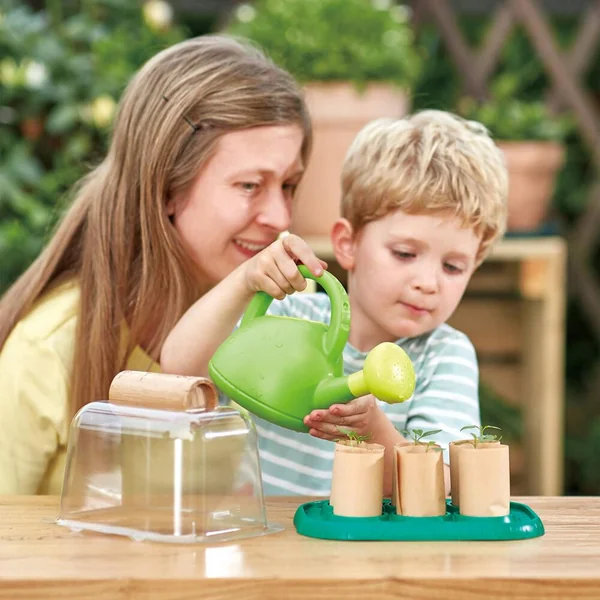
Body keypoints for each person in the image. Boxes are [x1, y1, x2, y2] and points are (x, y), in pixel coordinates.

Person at [0, 34, 317, 494]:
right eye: (250, 185)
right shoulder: (46, 351)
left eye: (288, 186)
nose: (280, 218)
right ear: (166, 187)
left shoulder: (281, 316)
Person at [160, 110, 509, 497]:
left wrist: (373, 430)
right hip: (262, 531)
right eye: (405, 254)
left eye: (453, 266)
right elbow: (179, 368)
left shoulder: (443, 355)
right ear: (348, 244)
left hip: (366, 538)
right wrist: (244, 281)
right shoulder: (289, 316)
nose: (428, 283)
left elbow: (438, 488)